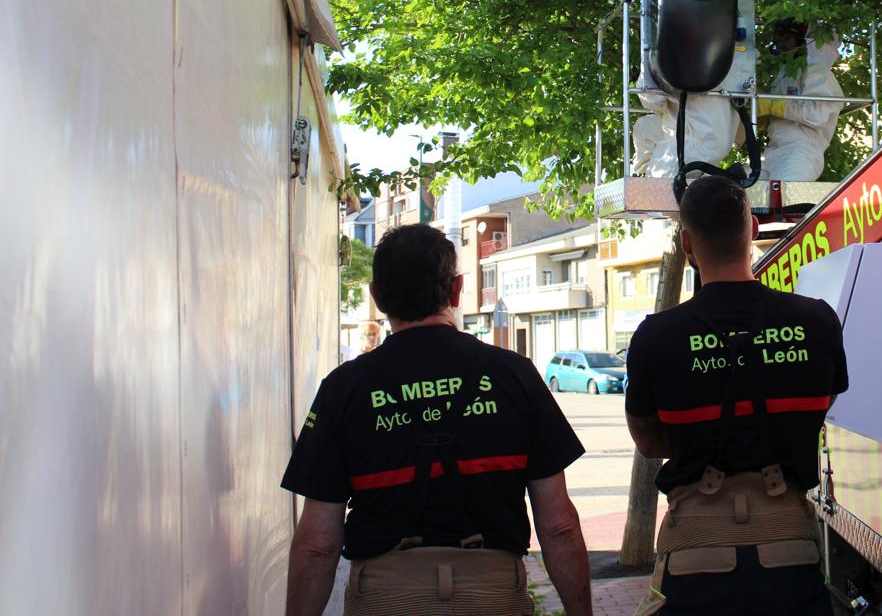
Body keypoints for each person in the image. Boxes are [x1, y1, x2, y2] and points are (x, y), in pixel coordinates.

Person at [281, 224, 593, 616]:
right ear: (457, 289)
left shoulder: (344, 388)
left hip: (385, 598)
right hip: (493, 595)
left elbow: (317, 544)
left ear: (377, 296)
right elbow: (559, 525)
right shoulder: (515, 375)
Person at [624, 176, 848, 615]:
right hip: (791, 552)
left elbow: (649, 443)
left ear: (687, 243)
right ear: (754, 232)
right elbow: (818, 411)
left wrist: (701, 435)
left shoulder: (657, 336)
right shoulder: (816, 321)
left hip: (695, 554)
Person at [758, 19, 844, 182]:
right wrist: (762, 117)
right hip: (772, 153)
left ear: (804, 42)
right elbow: (780, 115)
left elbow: (818, 114)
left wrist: (773, 105)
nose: (782, 45)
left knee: (788, 203)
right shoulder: (786, 74)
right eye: (780, 40)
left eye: (788, 39)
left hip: (800, 153)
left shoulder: (818, 72)